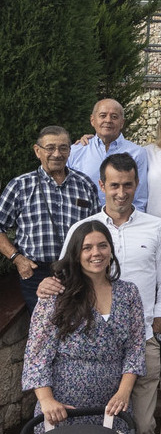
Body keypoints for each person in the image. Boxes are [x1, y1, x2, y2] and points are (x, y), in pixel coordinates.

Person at [48, 155, 161, 434]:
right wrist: (44, 287)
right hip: (88, 350)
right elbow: (63, 280)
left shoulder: (156, 227)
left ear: (137, 185)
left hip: (139, 351)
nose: (121, 192)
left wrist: (150, 337)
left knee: (143, 433)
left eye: (128, 184)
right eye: (113, 185)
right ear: (102, 186)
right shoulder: (84, 230)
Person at [22, 219, 145, 434]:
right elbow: (37, 354)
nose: (95, 253)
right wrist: (47, 400)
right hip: (62, 409)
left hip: (112, 408)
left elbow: (135, 349)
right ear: (76, 254)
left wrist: (123, 393)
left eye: (102, 245)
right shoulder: (56, 294)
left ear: (111, 250)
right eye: (87, 247)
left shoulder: (129, 293)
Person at [0, 124, 100, 310]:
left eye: (63, 148)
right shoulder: (20, 186)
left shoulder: (85, 184)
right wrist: (17, 258)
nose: (57, 153)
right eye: (50, 148)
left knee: (79, 326)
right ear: (37, 151)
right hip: (36, 273)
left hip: (78, 270)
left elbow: (98, 228)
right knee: (43, 331)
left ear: (70, 151)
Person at [69, 99, 149, 210]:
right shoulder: (76, 151)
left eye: (114, 117)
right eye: (103, 115)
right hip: (84, 221)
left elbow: (139, 199)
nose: (108, 120)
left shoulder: (137, 153)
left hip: (121, 222)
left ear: (122, 123)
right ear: (92, 120)